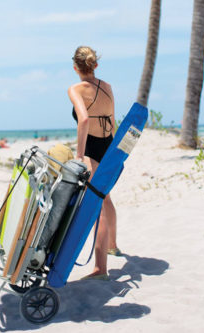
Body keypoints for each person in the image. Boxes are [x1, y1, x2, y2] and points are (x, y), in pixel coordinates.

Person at [68, 46, 119, 281]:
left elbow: (84, 119)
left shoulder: (75, 89)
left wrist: (79, 154)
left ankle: (100, 268)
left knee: (96, 205)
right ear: (95, 65)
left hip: (93, 149)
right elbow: (113, 121)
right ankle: (113, 245)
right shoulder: (107, 87)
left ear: (76, 67)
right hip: (110, 146)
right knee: (106, 197)